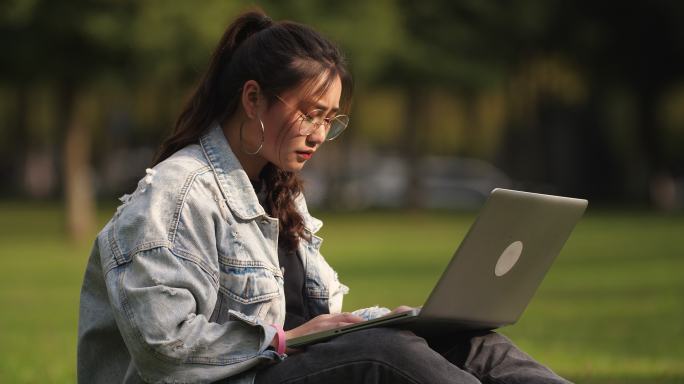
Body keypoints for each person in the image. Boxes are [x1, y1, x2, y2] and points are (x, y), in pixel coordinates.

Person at [77, 9, 572, 384]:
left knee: (469, 343)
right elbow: (163, 348)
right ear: (253, 99)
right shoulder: (175, 193)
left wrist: (386, 320)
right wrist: (283, 341)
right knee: (384, 358)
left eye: (330, 120)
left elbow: (316, 321)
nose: (319, 133)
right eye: (311, 113)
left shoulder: (278, 194)